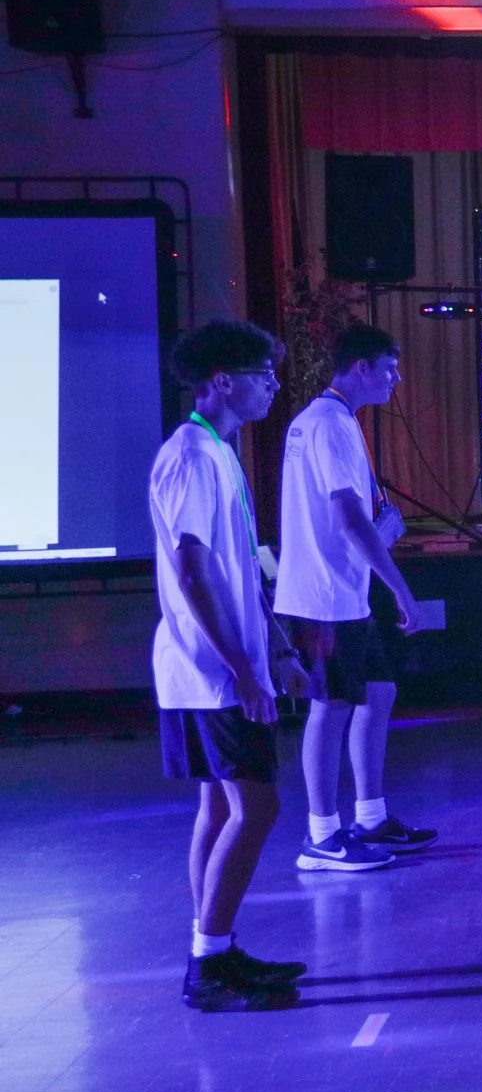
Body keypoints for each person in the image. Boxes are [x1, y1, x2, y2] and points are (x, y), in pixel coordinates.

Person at [155, 321, 310, 1011]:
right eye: (264, 374)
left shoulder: (214, 451)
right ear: (224, 381)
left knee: (218, 804)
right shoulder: (193, 453)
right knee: (257, 804)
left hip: (209, 663)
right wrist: (243, 667)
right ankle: (208, 961)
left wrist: (276, 648)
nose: (274, 385)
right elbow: (192, 566)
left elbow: (241, 567)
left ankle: (212, 947)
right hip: (212, 667)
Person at [274, 323, 431, 873]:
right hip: (323, 597)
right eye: (389, 368)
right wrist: (400, 585)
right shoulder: (333, 424)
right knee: (331, 706)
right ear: (360, 368)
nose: (397, 378)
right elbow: (347, 518)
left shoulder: (316, 420)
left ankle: (370, 816)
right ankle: (321, 835)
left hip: (339, 593)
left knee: (379, 692)